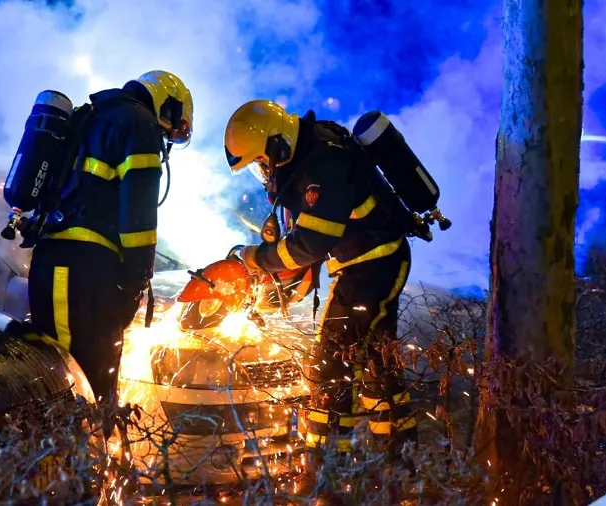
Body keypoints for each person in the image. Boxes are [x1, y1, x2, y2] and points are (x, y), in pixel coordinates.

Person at [223, 100, 418, 479]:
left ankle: (325, 472)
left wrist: (252, 258)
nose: (263, 172)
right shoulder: (305, 160)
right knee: (378, 365)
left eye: (262, 162)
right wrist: (270, 291)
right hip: (368, 264)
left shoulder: (323, 163)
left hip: (373, 265)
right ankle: (401, 465)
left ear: (277, 144)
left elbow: (309, 245)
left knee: (330, 365)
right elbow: (304, 251)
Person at [28, 70, 193, 410]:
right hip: (77, 272)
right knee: (76, 385)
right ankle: (72, 460)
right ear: (169, 108)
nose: (168, 136)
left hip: (64, 267)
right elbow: (138, 221)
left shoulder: (96, 116)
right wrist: (137, 278)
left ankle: (85, 457)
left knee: (86, 381)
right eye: (174, 126)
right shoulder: (139, 125)